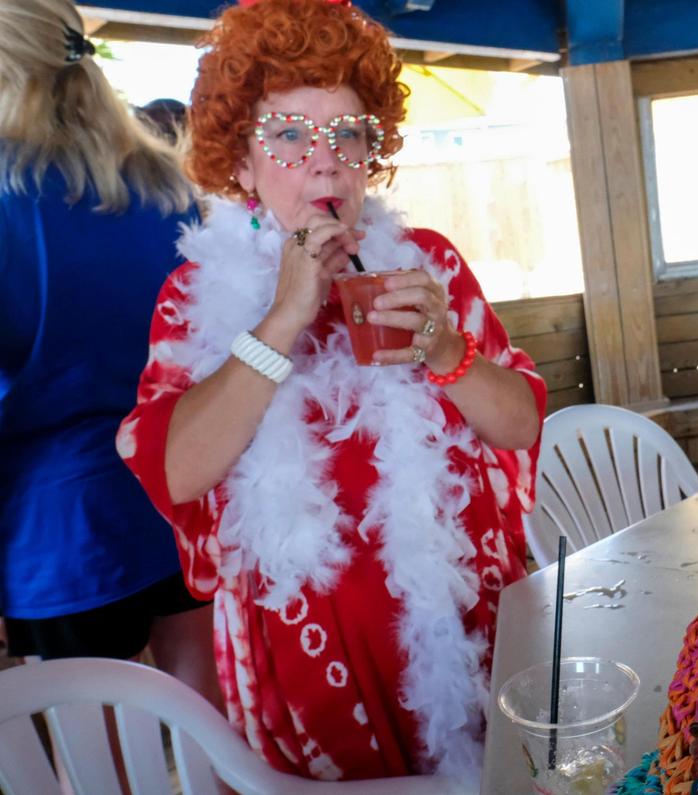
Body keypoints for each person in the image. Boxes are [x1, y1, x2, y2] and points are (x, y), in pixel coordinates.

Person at [118, 0, 545, 782]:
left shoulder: (429, 267)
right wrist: (283, 317)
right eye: (288, 134)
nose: (325, 161)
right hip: (305, 683)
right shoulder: (195, 295)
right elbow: (176, 468)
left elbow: (519, 424)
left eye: (347, 133)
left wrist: (447, 350)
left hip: (467, 640)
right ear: (239, 162)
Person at [0, 0, 218, 699]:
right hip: (178, 486)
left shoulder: (8, 196)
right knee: (211, 733)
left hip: (58, 531)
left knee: (104, 762)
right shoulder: (164, 184)